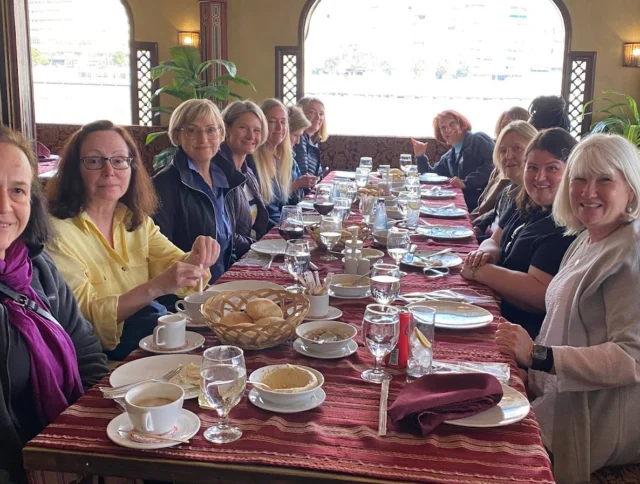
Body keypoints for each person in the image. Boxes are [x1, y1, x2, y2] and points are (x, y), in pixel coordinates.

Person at [496, 134, 640, 482]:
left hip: (589, 423)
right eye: (579, 178)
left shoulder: (630, 254)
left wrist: (538, 355)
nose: (588, 191)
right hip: (553, 398)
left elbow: (631, 358)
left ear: (631, 189)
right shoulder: (590, 237)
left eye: (604, 179)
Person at [46, 120, 219, 360]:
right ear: (75, 170)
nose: (109, 171)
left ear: (131, 167)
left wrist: (197, 257)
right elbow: (84, 316)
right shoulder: (57, 231)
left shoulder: (133, 219)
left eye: (119, 160)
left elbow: (176, 267)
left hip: (145, 340)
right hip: (97, 360)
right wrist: (157, 286)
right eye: (95, 161)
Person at [0, 126, 108, 484]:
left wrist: (93, 436)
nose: (4, 207)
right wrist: (41, 462)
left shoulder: (35, 266)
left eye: (17, 190)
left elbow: (87, 351)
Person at [462, 128, 577, 338]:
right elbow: (494, 239)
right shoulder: (525, 201)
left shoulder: (564, 223)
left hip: (518, 333)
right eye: (532, 167)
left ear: (571, 172)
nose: (539, 177)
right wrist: (486, 254)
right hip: (492, 307)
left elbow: (539, 296)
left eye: (551, 168)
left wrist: (481, 272)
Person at [154, 99, 241, 282]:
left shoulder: (227, 178)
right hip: (187, 292)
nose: (203, 139)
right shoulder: (163, 185)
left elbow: (228, 244)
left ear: (221, 134)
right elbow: (158, 257)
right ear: (177, 136)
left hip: (222, 282)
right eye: (192, 131)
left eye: (210, 130)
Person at [215, 100, 270, 260]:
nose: (251, 136)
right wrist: (260, 247)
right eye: (243, 128)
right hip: (234, 260)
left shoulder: (248, 172)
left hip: (251, 253)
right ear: (226, 129)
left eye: (257, 130)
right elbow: (228, 237)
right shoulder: (219, 174)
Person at [411, 110, 495, 211]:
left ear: (461, 125)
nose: (448, 129)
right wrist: (421, 157)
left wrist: (467, 182)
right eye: (443, 127)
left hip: (482, 205)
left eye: (452, 123)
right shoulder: (449, 156)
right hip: (459, 205)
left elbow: (494, 165)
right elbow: (430, 176)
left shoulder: (478, 139)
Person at [472, 121, 538, 239]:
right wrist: (479, 228)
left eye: (517, 148)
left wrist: (477, 237)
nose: (508, 156)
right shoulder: (509, 188)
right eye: (503, 151)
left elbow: (505, 244)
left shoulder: (532, 199)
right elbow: (494, 218)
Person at [472, 107, 531, 219]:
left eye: (517, 148)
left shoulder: (522, 187)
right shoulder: (501, 169)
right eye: (501, 126)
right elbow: (487, 210)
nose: (503, 131)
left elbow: (487, 211)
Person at [250, 98, 294, 229]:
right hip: (263, 233)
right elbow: (256, 216)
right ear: (261, 125)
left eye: (283, 122)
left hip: (279, 226)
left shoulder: (279, 160)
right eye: (272, 122)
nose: (279, 127)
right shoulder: (251, 161)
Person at [288, 105, 318, 204]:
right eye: (295, 135)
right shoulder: (273, 160)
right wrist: (296, 184)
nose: (297, 141)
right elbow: (270, 201)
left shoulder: (290, 157)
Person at [294, 96, 327, 178]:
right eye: (312, 112)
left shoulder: (312, 139)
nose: (318, 117)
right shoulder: (300, 139)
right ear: (301, 115)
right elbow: (304, 175)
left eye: (321, 114)